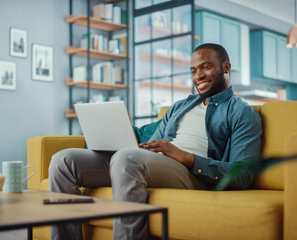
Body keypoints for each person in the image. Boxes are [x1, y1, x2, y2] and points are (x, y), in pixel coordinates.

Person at [49, 43, 262, 240]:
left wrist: (186, 158)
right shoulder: (180, 106)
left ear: (226, 67)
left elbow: (242, 174)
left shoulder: (242, 113)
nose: (198, 76)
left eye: (206, 67)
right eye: (193, 71)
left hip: (192, 175)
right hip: (152, 165)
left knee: (127, 158)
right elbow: (150, 146)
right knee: (63, 160)